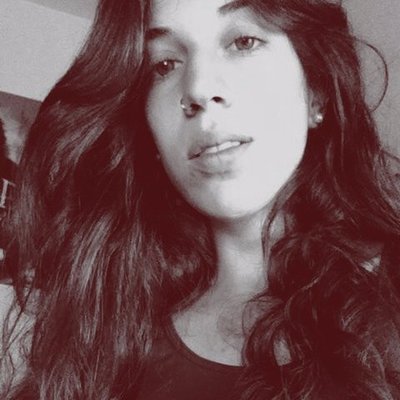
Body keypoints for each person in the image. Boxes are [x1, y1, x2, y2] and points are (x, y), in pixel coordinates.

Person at [1, 0, 400, 398]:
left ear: (316, 92)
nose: (198, 89)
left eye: (244, 42)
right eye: (164, 65)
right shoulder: (104, 320)